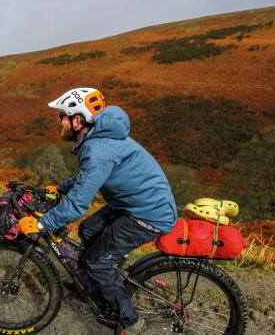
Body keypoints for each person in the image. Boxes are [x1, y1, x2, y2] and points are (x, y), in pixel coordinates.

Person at [18, 87, 177, 333]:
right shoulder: (100, 137)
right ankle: (96, 285)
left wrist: (41, 224)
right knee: (88, 230)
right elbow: (87, 176)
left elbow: (77, 204)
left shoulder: (98, 149)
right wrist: (59, 188)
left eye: (62, 116)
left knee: (96, 262)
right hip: (134, 205)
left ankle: (132, 322)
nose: (59, 122)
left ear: (77, 120)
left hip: (149, 214)